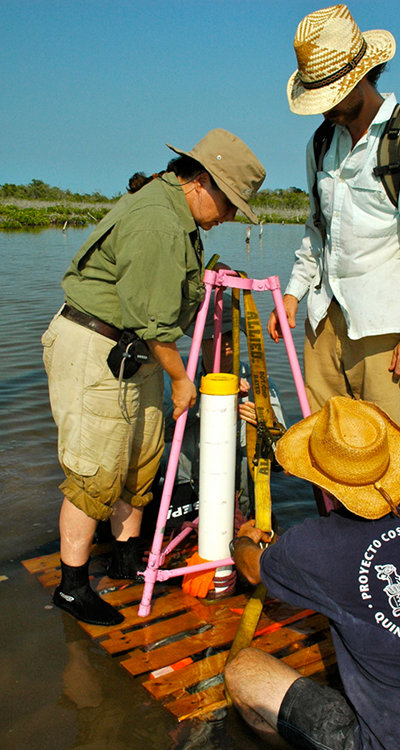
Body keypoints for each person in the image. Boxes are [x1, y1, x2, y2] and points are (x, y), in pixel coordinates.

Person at [42, 129, 266, 627]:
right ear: (202, 182)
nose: (229, 217)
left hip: (134, 350)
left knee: (141, 457)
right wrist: (184, 380)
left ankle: (124, 562)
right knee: (94, 468)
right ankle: (72, 586)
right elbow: (154, 319)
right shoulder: (159, 222)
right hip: (96, 346)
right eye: (229, 204)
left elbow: (168, 294)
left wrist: (210, 271)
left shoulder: (177, 218)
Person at [225, 397, 400, 749]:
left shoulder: (318, 545)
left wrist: (242, 543)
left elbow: (252, 570)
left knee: (244, 671)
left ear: (320, 479)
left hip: (394, 743)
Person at [268, 5, 400, 441]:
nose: (325, 109)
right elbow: (317, 229)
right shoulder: (321, 143)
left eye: (332, 94)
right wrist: (296, 292)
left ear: (362, 76)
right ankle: (330, 513)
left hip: (388, 334)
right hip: (325, 321)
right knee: (325, 448)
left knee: (386, 459)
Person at [145, 294, 286, 535]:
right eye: (216, 337)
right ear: (201, 341)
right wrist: (209, 401)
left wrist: (266, 422)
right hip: (185, 488)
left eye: (231, 335)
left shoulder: (259, 383)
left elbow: (283, 457)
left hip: (239, 489)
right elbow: (157, 434)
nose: (226, 344)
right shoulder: (178, 377)